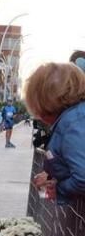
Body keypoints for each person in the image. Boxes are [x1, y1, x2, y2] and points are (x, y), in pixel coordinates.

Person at [27, 63, 85, 203]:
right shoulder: (74, 119)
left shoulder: (73, 124)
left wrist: (58, 189)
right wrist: (51, 178)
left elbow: (82, 177)